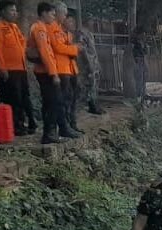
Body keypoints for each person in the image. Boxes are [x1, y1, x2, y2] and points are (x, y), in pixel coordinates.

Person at [29, 2, 76, 144]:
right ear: (43, 13)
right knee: (53, 102)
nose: (53, 17)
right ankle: (49, 133)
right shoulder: (39, 29)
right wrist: (54, 73)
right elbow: (45, 53)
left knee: (53, 101)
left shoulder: (42, 27)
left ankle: (52, 132)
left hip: (47, 70)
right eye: (52, 14)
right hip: (45, 72)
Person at [0, 1, 32, 135]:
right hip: (9, 69)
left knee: (23, 97)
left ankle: (22, 123)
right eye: (11, 10)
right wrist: (2, 68)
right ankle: (15, 126)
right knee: (13, 99)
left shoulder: (14, 27)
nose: (14, 13)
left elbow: (22, 42)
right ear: (2, 12)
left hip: (20, 68)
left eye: (15, 10)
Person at [55, 6, 82, 134]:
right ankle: (65, 125)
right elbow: (60, 49)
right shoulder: (57, 31)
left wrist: (74, 49)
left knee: (73, 97)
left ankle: (73, 122)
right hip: (62, 70)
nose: (72, 23)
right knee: (65, 98)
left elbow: (72, 52)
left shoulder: (70, 35)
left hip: (72, 69)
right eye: (69, 19)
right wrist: (74, 48)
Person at [76, 16, 102, 115]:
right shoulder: (81, 33)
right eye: (92, 21)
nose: (93, 23)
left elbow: (92, 51)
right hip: (86, 65)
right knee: (86, 86)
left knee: (94, 85)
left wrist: (97, 64)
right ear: (87, 21)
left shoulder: (90, 33)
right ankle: (82, 106)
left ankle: (94, 105)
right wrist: (89, 64)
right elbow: (83, 50)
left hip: (93, 63)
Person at [130, 26, 147, 100]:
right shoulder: (135, 43)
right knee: (139, 80)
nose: (144, 36)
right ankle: (138, 96)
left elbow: (145, 52)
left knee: (143, 79)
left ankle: (142, 95)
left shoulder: (141, 43)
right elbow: (135, 54)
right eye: (142, 34)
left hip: (141, 61)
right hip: (138, 62)